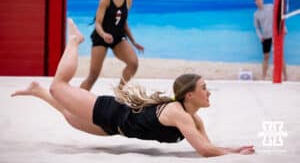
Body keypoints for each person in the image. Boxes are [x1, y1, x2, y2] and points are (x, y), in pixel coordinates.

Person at [11, 19, 255, 157]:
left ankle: (36, 90)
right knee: (58, 87)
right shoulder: (177, 113)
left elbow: (208, 149)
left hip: (116, 129)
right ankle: (75, 41)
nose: (209, 91)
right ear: (189, 94)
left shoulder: (194, 121)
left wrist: (233, 149)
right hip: (110, 112)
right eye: (205, 87)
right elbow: (204, 149)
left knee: (69, 116)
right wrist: (234, 154)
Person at [80, 0, 144, 91]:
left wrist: (134, 42)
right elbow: (98, 23)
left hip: (118, 38)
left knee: (133, 63)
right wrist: (104, 35)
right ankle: (77, 98)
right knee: (93, 75)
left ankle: (119, 91)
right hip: (101, 37)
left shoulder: (129, 0)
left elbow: (123, 22)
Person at [253, 0, 287, 80]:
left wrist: (284, 28)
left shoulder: (270, 7)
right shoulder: (256, 14)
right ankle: (263, 77)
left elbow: (279, 16)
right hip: (265, 37)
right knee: (266, 57)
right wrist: (260, 36)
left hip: (276, 35)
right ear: (255, 2)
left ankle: (285, 76)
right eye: (256, 0)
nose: (258, 1)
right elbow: (257, 27)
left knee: (280, 55)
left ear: (263, 0)